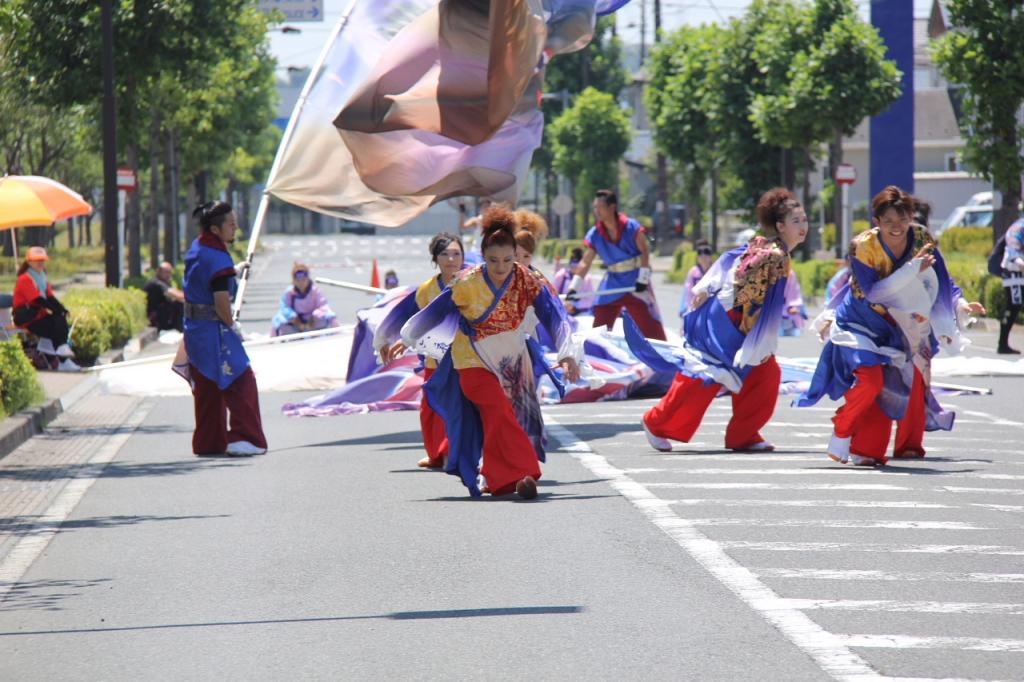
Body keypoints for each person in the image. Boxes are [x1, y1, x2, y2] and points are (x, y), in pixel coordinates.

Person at [796, 186, 985, 465]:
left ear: (911, 217)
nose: (897, 228)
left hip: (904, 326)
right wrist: (911, 270)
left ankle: (894, 446)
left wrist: (960, 304)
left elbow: (941, 280)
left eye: (903, 220)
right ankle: (844, 427)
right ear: (876, 222)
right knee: (871, 381)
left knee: (908, 383)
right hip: (862, 323)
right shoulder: (863, 246)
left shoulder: (920, 237)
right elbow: (874, 293)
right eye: (888, 223)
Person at [400, 207, 581, 498]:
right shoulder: (467, 282)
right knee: (498, 410)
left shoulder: (526, 279)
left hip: (510, 358)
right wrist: (408, 336)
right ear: (483, 256)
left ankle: (497, 479)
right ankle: (525, 471)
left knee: (502, 417)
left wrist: (567, 353)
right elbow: (435, 312)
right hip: (472, 358)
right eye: (494, 260)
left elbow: (554, 315)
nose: (501, 267)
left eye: (508, 259)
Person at [626, 188, 808, 453]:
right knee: (707, 375)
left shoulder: (769, 247)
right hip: (730, 319)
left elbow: (728, 260)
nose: (803, 226)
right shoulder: (775, 255)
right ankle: (657, 422)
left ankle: (743, 435)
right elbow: (747, 295)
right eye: (796, 221)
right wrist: (751, 335)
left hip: (734, 315)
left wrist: (706, 289)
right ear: (780, 226)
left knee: (763, 374)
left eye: (804, 220)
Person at [182, 201, 268, 457]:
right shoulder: (218, 257)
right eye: (231, 224)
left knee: (207, 387)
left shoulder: (198, 248)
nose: (236, 227)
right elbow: (221, 303)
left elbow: (209, 281)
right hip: (214, 331)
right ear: (216, 229)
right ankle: (247, 436)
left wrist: (233, 271)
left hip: (194, 329)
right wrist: (233, 325)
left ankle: (209, 442)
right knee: (241, 380)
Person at [376, 232, 466, 469]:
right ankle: (436, 454)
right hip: (434, 359)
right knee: (430, 409)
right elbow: (414, 320)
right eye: (445, 254)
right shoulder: (426, 290)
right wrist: (393, 340)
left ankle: (451, 451)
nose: (451, 259)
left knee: (456, 406)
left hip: (467, 357)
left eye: (456, 254)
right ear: (435, 258)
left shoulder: (472, 281)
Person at [566, 189, 666, 339]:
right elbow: (585, 262)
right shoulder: (595, 233)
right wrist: (574, 288)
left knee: (652, 332)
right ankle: (596, 357)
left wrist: (643, 279)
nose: (596, 211)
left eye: (600, 207)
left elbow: (645, 251)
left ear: (612, 207)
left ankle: (663, 359)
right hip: (612, 284)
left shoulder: (631, 227)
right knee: (598, 331)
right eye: (595, 207)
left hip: (635, 284)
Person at [12, 246, 80, 371]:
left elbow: (49, 297)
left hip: (39, 315)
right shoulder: (24, 279)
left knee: (59, 318)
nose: (40, 263)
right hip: (28, 318)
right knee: (55, 326)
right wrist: (56, 310)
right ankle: (62, 357)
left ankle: (60, 353)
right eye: (36, 260)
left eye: (42, 260)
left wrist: (62, 309)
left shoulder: (42, 276)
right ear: (29, 262)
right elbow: (37, 299)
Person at [270, 263, 340, 337]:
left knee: (331, 316)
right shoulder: (289, 292)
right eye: (298, 280)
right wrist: (294, 319)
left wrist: (315, 316)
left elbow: (323, 306)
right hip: (295, 323)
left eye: (303, 279)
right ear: (294, 280)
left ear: (308, 278)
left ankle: (338, 335)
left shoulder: (315, 291)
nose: (301, 282)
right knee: (277, 321)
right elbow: (284, 308)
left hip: (313, 322)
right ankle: (271, 342)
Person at [997, 217, 1024, 354]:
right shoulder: (1019, 226)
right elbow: (1013, 246)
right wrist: (1020, 262)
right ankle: (1002, 344)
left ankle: (1003, 344)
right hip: (1014, 271)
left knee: (1015, 306)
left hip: (1019, 271)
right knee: (1014, 305)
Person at [552, 247, 595, 315]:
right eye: (572, 265)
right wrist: (564, 304)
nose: (574, 268)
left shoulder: (587, 278)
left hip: (580, 312)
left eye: (576, 265)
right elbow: (553, 294)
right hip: (561, 310)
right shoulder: (561, 275)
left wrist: (575, 305)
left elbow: (590, 299)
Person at [144, 261, 185, 332]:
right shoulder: (156, 283)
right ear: (158, 272)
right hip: (156, 320)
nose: (169, 275)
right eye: (166, 272)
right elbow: (177, 295)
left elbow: (176, 293)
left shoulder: (164, 283)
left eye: (170, 272)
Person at [679, 240, 714, 317]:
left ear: (711, 255)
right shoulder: (693, 272)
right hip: (696, 309)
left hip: (712, 310)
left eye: (706, 252)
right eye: (700, 253)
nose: (703, 255)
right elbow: (688, 293)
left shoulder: (716, 272)